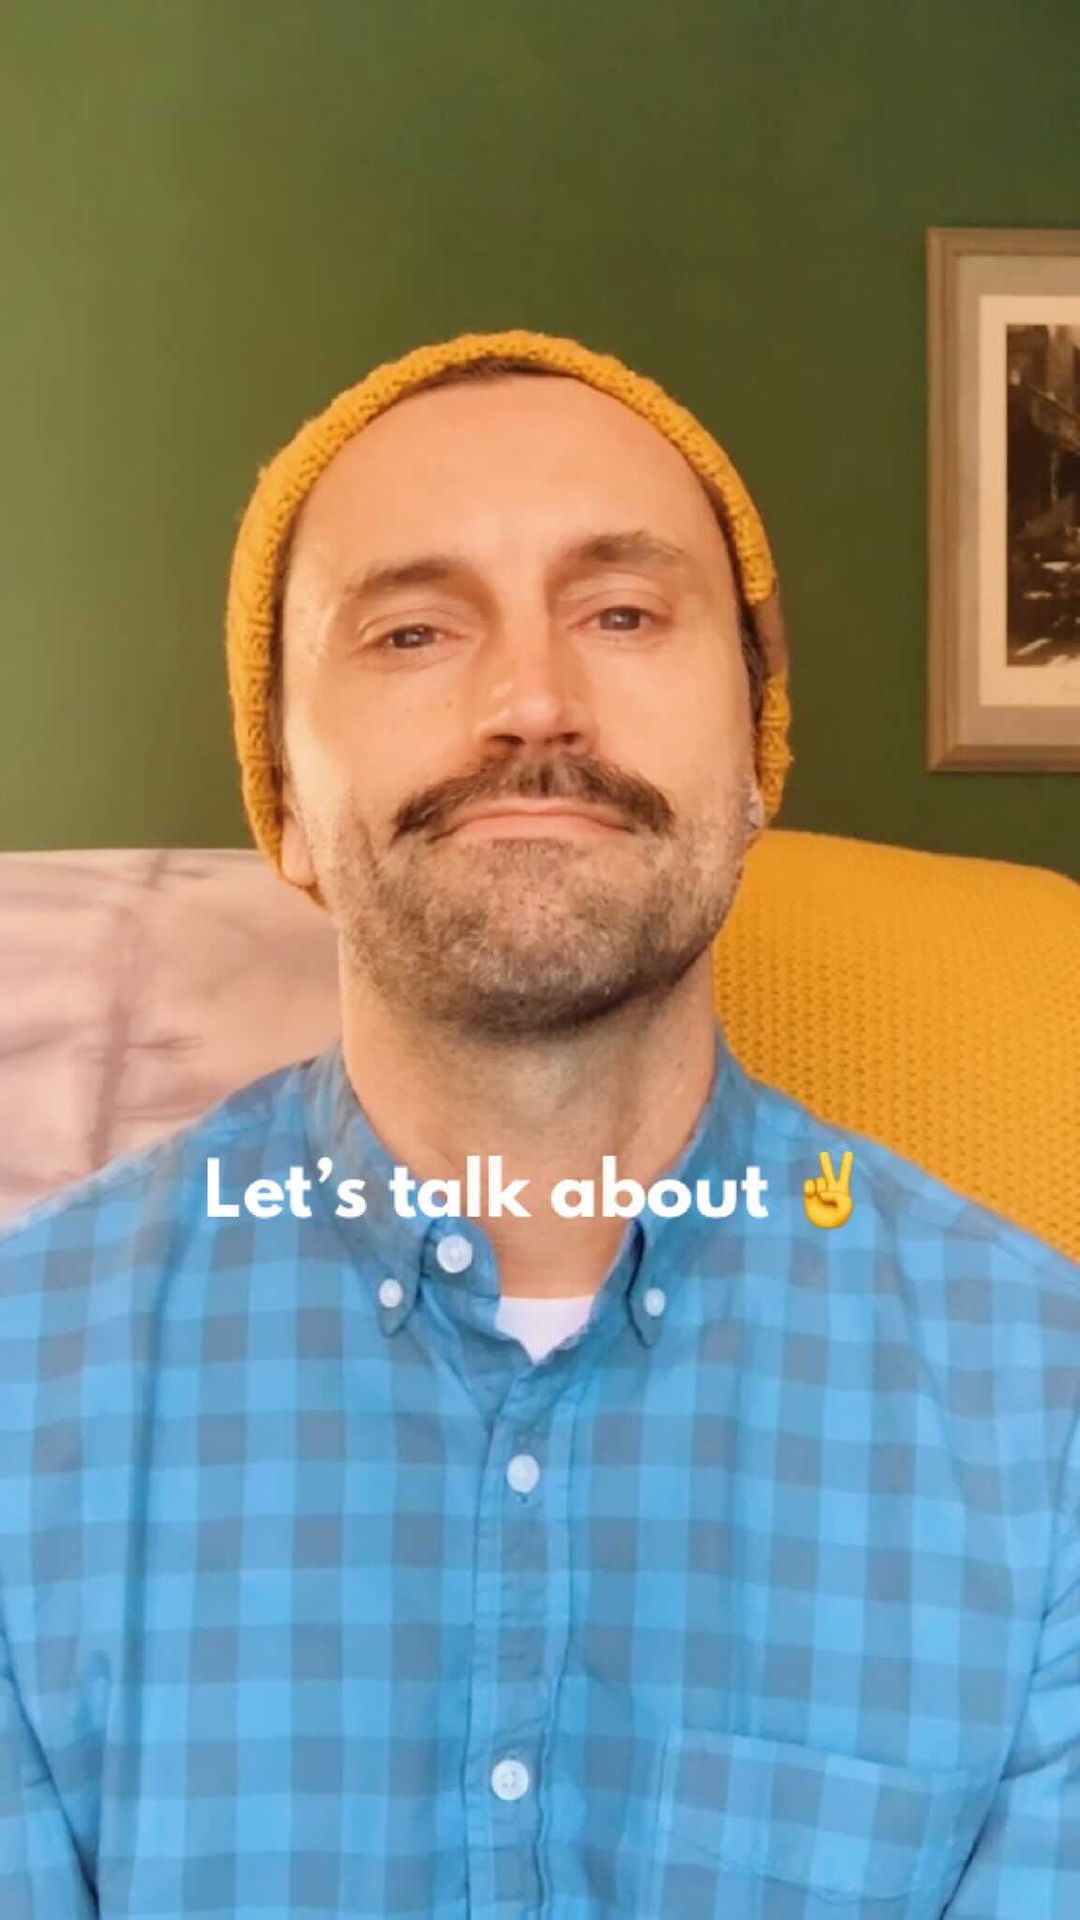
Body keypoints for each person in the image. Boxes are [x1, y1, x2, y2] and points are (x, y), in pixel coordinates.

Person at [1, 327, 1077, 1918]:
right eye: (413, 630)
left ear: (759, 745)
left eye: (623, 612)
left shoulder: (1047, 1414)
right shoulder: (23, 1387)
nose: (530, 702)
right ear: (281, 791)